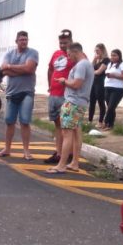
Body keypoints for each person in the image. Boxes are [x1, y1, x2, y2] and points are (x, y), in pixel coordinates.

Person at [47, 42, 94, 174]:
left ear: (75, 52)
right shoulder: (86, 64)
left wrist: (64, 81)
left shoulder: (81, 65)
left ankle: (62, 164)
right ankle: (74, 162)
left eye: (69, 55)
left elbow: (76, 84)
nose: (69, 58)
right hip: (80, 103)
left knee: (66, 133)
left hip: (73, 102)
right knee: (76, 133)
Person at [0, 31, 39, 160]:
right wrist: (20, 69)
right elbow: (4, 70)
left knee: (25, 121)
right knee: (9, 122)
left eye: (26, 39)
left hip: (27, 92)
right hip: (11, 93)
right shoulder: (9, 54)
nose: (24, 42)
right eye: (21, 40)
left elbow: (29, 69)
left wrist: (10, 67)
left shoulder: (33, 53)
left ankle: (26, 151)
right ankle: (7, 148)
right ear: (16, 41)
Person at [45, 29, 75, 164]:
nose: (62, 45)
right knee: (57, 124)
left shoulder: (75, 55)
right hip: (54, 94)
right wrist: (49, 85)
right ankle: (58, 152)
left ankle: (68, 153)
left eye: (65, 43)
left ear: (71, 42)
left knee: (67, 127)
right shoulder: (56, 54)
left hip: (67, 95)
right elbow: (50, 69)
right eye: (61, 43)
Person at [102, 49, 123, 130]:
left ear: (119, 56)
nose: (112, 57)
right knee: (110, 107)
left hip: (118, 89)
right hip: (108, 87)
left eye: (115, 55)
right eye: (111, 55)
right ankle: (110, 124)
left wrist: (114, 75)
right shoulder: (110, 64)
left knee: (111, 107)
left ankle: (106, 122)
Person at [88, 43, 110, 128]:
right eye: (95, 51)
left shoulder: (106, 60)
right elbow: (89, 67)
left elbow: (99, 72)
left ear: (102, 50)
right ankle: (90, 120)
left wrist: (91, 72)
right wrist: (94, 60)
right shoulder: (96, 60)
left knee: (101, 102)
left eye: (98, 51)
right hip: (94, 82)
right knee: (92, 102)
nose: (96, 52)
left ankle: (100, 121)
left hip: (101, 83)